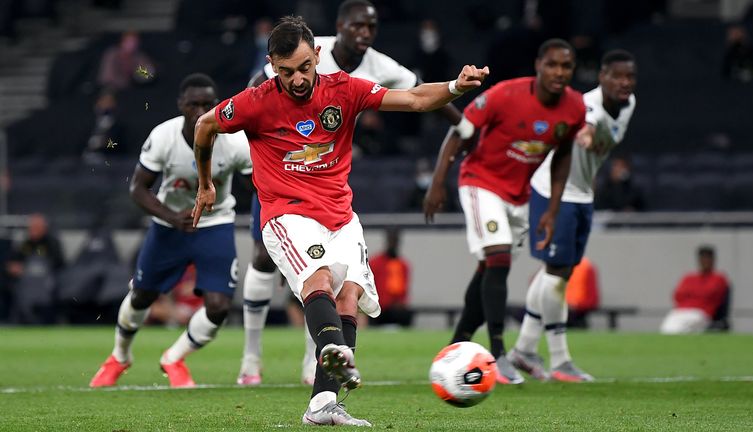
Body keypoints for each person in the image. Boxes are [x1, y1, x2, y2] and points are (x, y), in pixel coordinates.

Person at [192, 15, 487, 426]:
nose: (297, 80)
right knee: (320, 282)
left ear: (317, 55)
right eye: (286, 72)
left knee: (349, 296)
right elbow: (205, 126)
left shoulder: (344, 90)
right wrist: (205, 183)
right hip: (286, 213)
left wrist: (455, 87)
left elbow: (416, 99)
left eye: (304, 68)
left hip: (340, 215)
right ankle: (336, 352)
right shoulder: (256, 101)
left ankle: (323, 403)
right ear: (272, 66)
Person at [239, 0, 463, 387]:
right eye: (357, 26)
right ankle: (251, 359)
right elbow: (248, 99)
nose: (364, 34)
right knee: (280, 262)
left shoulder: (379, 69)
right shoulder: (297, 50)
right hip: (282, 175)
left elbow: (417, 96)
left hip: (329, 184)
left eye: (371, 27)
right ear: (339, 27)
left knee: (343, 286)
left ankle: (320, 373)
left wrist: (464, 116)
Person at [424, 38, 585, 385]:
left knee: (488, 269)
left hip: (520, 196)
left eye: (566, 66)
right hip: (480, 182)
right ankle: (498, 353)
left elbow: (563, 157)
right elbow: (461, 131)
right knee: (499, 259)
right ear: (539, 65)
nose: (559, 72)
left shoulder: (574, 108)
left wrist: (552, 209)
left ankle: (457, 343)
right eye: (553, 65)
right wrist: (438, 182)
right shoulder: (504, 95)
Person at [89, 73, 252, 388]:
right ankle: (119, 356)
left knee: (219, 306)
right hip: (169, 224)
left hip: (214, 222)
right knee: (142, 295)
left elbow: (257, 185)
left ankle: (174, 357)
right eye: (194, 104)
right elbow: (138, 189)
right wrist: (170, 216)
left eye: (208, 103)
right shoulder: (163, 136)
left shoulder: (234, 141)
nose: (201, 110)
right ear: (181, 105)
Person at [510, 49, 637, 382]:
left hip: (582, 194)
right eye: (617, 76)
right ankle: (560, 359)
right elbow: (589, 125)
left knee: (558, 272)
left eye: (630, 77)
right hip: (553, 190)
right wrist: (584, 133)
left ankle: (523, 350)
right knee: (557, 274)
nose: (624, 83)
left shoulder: (630, 104)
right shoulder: (587, 106)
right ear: (602, 77)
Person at [5, 213, 65, 324]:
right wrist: (15, 268)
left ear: (44, 228)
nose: (33, 230)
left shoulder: (52, 244)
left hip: (47, 287)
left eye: (37, 227)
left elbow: (60, 264)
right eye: (31, 227)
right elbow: (11, 263)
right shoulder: (24, 244)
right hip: (25, 286)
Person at [661, 246, 731, 334]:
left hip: (702, 313)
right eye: (703, 258)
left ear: (713, 260)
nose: (705, 261)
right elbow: (677, 296)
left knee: (678, 328)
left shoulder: (719, 278)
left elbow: (710, 295)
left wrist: (692, 295)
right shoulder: (688, 277)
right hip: (681, 311)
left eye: (708, 258)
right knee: (667, 327)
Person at [368, 227, 412, 327]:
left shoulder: (403, 265)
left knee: (404, 314)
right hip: (379, 308)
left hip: (395, 309)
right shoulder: (375, 263)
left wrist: (401, 303)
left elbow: (403, 290)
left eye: (395, 240)